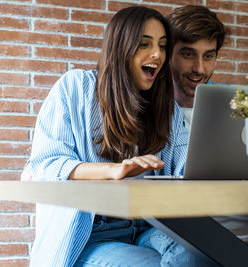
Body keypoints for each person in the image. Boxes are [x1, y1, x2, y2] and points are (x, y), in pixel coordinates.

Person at [28, 6, 219, 267]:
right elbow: (46, 165)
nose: (157, 54)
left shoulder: (165, 108)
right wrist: (114, 170)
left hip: (150, 226)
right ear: (120, 46)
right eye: (145, 44)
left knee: (208, 254)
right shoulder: (75, 88)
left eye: (163, 46)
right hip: (92, 235)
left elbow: (184, 169)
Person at [167, 5, 248, 253]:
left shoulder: (235, 102)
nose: (199, 68)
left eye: (208, 56)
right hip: (194, 228)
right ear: (167, 53)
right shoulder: (150, 110)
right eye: (187, 54)